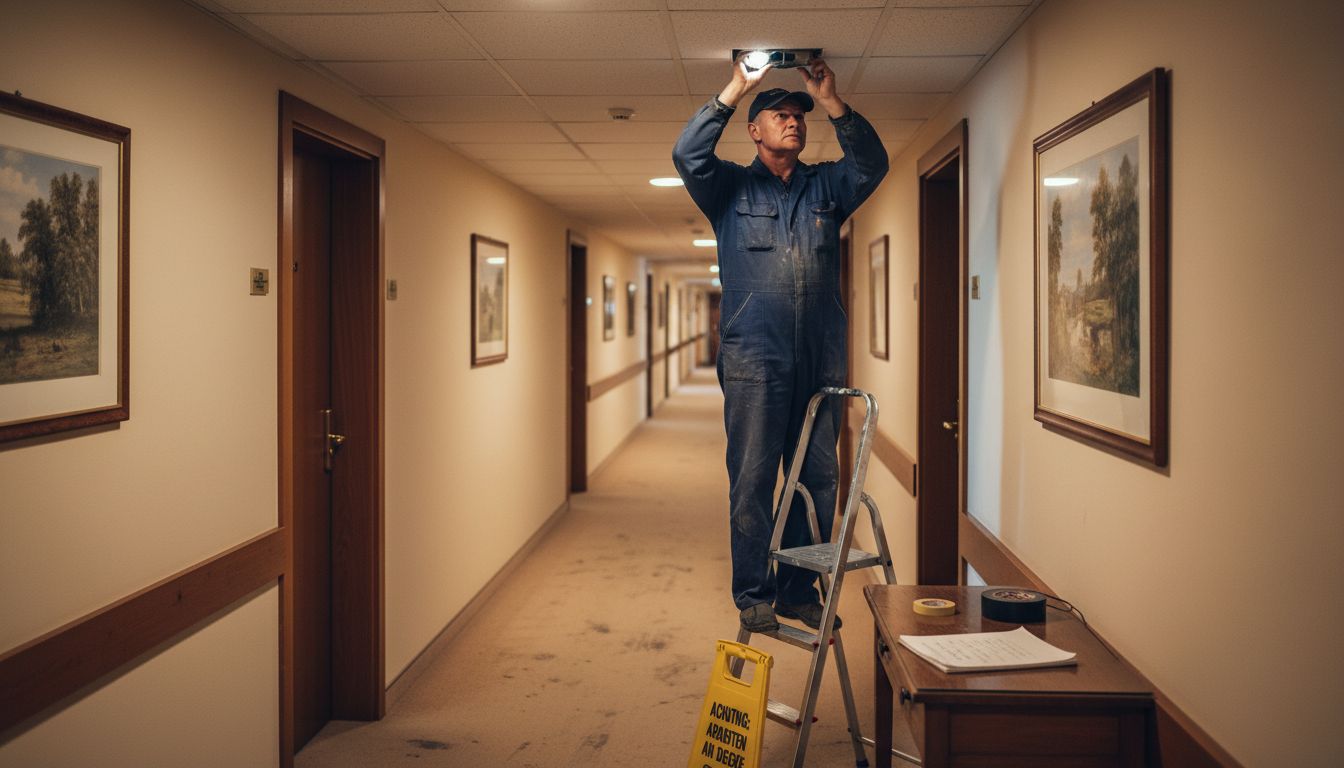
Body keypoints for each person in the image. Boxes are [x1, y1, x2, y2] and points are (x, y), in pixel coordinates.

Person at [673, 55, 889, 633]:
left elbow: (872, 163)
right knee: (753, 477)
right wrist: (738, 88)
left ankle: (798, 589)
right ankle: (754, 592)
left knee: (817, 479)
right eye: (780, 114)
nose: (794, 121)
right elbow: (687, 155)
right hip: (754, 359)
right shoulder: (729, 189)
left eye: (799, 115)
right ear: (755, 128)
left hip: (820, 360)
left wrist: (833, 102)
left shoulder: (827, 187)